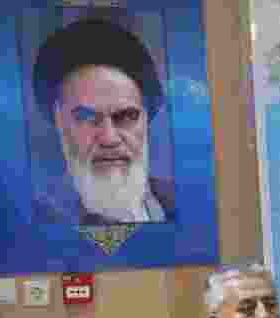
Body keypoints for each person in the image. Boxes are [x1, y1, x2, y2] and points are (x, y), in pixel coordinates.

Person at [30, 16, 176, 225]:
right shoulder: (39, 221)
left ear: (146, 118)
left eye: (127, 117)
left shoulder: (180, 202)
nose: (109, 138)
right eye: (87, 118)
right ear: (58, 123)